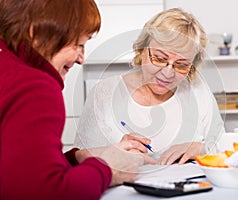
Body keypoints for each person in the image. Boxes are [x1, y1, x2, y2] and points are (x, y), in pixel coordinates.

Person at [0, 0, 150, 199]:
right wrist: (108, 169)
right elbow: (45, 191)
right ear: (36, 33)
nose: (82, 59)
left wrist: (77, 158)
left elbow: (14, 171)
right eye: (79, 45)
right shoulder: (36, 86)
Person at [74, 8, 225, 165]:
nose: (167, 73)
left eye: (181, 65)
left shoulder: (197, 90)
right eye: (159, 59)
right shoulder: (104, 92)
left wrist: (200, 148)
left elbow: (224, 145)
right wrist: (115, 151)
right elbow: (79, 160)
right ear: (142, 50)